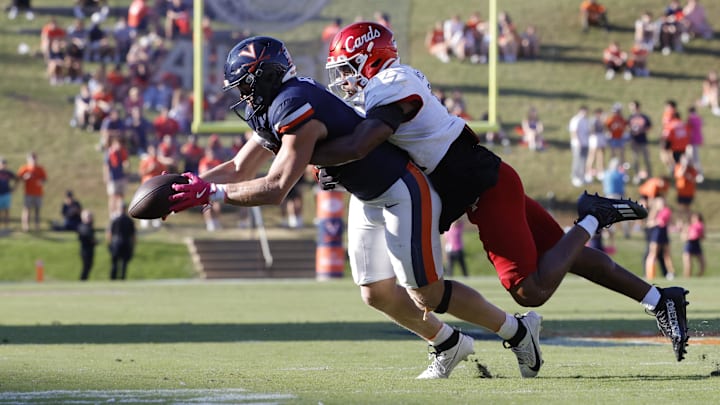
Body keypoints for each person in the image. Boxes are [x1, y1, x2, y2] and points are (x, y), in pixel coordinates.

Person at [167, 36, 544, 379]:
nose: (244, 96)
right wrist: (185, 186)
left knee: (426, 293)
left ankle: (517, 330)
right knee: (376, 292)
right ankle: (448, 344)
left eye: (247, 85)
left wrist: (211, 194)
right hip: (367, 195)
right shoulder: (275, 105)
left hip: (401, 189)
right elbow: (238, 168)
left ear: (266, 76)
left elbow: (276, 186)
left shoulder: (292, 103)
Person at [315, 22, 689, 362]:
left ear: (371, 60)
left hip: (485, 188)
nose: (344, 81)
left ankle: (592, 215)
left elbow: (364, 144)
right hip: (483, 183)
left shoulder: (391, 84)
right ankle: (660, 299)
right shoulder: (382, 91)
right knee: (566, 254)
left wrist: (320, 156)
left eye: (348, 69)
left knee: (530, 291)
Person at [645, 196, 676, 281]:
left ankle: (671, 272)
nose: (662, 204)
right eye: (660, 202)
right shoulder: (654, 212)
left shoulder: (667, 211)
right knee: (653, 254)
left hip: (664, 234)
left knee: (667, 255)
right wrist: (656, 222)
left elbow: (671, 222)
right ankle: (649, 274)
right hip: (656, 235)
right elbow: (649, 224)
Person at [17, 152, 47, 232]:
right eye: (31, 158)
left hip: (38, 192)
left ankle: (37, 226)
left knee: (37, 209)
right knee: (27, 209)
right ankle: (25, 226)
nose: (33, 160)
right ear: (28, 159)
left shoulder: (40, 169)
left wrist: (41, 181)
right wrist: (25, 177)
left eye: (34, 158)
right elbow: (18, 178)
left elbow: (44, 179)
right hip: (28, 192)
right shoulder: (24, 168)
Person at [107, 202, 135, 280]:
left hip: (117, 243)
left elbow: (110, 233)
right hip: (124, 242)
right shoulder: (129, 221)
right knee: (122, 262)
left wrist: (109, 243)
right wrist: (133, 245)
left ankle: (113, 278)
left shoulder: (115, 220)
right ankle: (121, 278)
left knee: (117, 262)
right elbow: (133, 235)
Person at [627, 100, 653, 184]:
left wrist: (641, 131)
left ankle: (650, 176)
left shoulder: (643, 117)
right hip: (634, 141)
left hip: (643, 140)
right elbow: (627, 127)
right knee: (635, 160)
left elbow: (649, 126)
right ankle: (637, 175)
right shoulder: (630, 117)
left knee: (646, 159)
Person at [568, 105, 590, 187]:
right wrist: (578, 142)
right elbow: (574, 131)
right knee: (577, 160)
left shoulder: (585, 120)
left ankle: (581, 176)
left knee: (583, 160)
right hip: (577, 144)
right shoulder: (576, 119)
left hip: (585, 143)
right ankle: (575, 176)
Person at [586, 107, 607, 183]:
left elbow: (604, 129)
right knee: (592, 155)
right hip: (594, 138)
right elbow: (592, 130)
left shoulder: (602, 120)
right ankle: (589, 172)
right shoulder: (593, 120)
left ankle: (600, 171)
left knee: (601, 155)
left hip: (601, 137)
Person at [682, 212, 705, 278]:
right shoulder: (688, 225)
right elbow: (683, 237)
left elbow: (703, 237)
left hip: (696, 243)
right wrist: (688, 236)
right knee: (688, 263)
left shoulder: (701, 225)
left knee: (702, 262)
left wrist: (699, 234)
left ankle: (699, 276)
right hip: (689, 243)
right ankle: (687, 277)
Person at [77, 209, 97, 280]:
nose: (90, 218)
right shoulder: (83, 227)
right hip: (85, 250)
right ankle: (82, 280)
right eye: (88, 216)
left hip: (89, 249)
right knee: (86, 266)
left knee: (89, 266)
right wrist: (93, 241)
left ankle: (84, 279)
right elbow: (89, 238)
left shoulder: (89, 226)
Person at [0, 157, 18, 230]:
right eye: (2, 163)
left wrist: (14, 188)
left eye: (4, 163)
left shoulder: (8, 173)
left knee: (7, 210)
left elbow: (17, 179)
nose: (3, 165)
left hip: (6, 193)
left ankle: (6, 226)